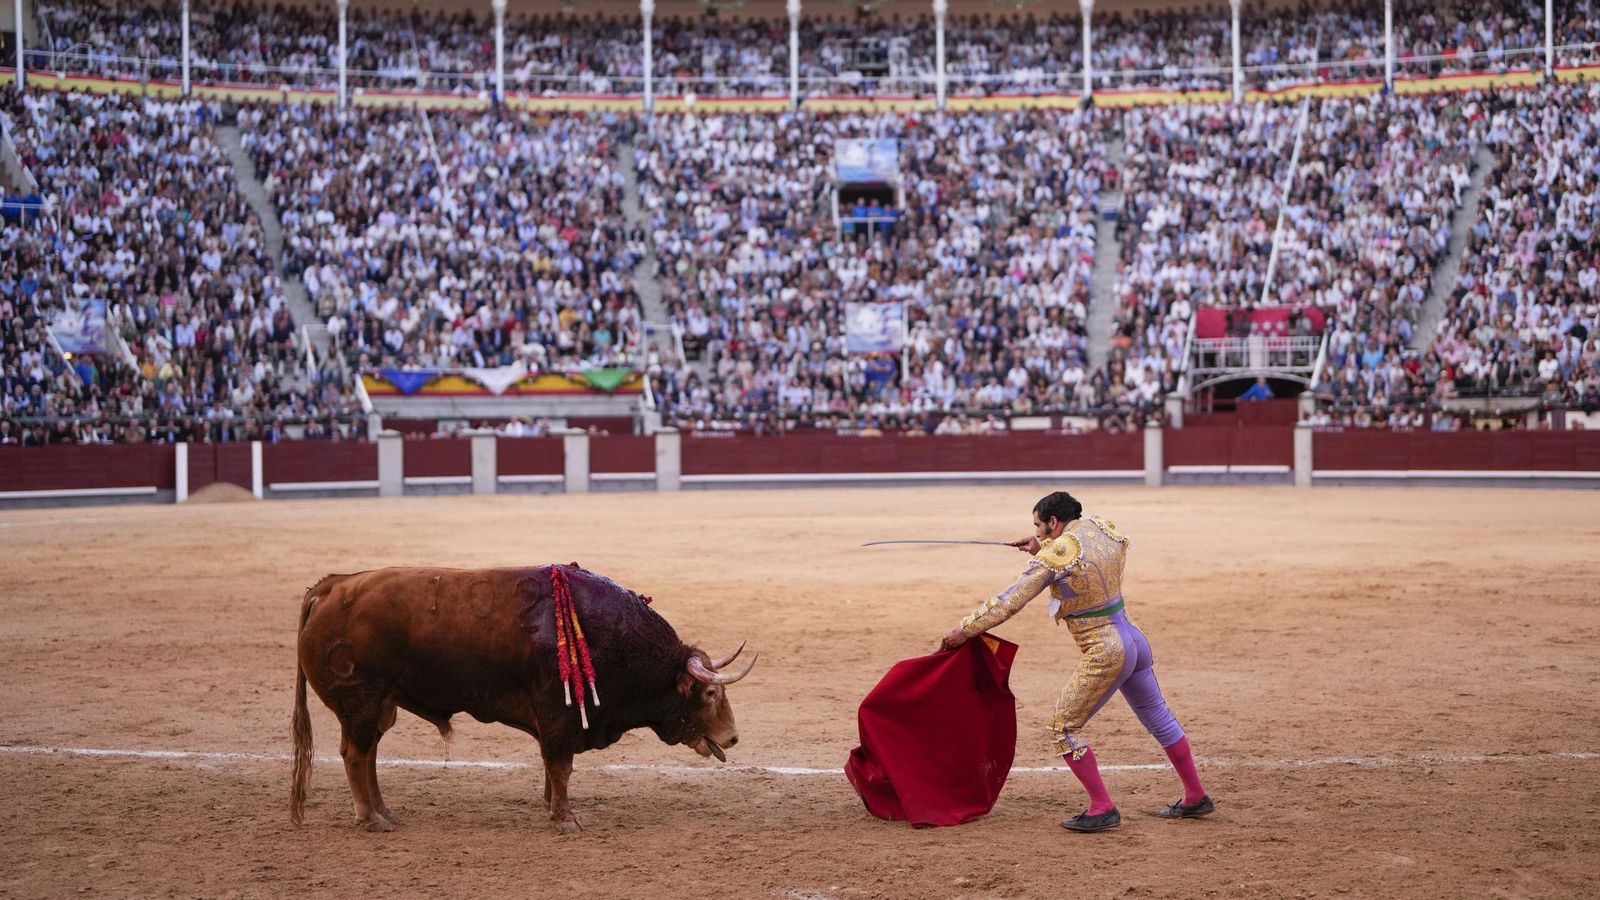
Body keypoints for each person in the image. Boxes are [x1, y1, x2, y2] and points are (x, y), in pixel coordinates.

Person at [938, 491, 1213, 832]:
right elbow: (1086, 565)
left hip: (1108, 650)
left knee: (1063, 727)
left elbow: (1009, 602)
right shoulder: (1100, 528)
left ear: (1054, 522)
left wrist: (963, 630)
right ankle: (1195, 794)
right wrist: (1045, 548)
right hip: (1133, 638)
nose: (1036, 532)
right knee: (1158, 716)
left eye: (1039, 525)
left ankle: (1102, 806)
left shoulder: (1057, 553)